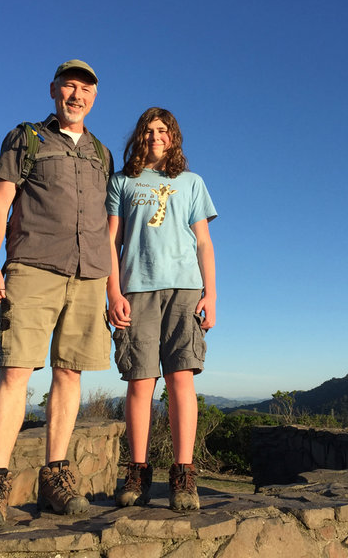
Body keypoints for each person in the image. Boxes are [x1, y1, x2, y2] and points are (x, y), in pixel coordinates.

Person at [0, 59, 113, 528]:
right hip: (33, 266)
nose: (77, 96)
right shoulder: (27, 138)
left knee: (69, 374)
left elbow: (106, 229)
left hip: (90, 274)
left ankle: (55, 478)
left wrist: (112, 288)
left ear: (95, 97)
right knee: (15, 370)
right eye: (69, 87)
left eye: (86, 89)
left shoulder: (102, 153)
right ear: (54, 90)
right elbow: (0, 205)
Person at [106, 107, 217, 510]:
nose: (155, 136)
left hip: (186, 289)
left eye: (162, 130)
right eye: (148, 130)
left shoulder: (191, 183)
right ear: (139, 136)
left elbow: (203, 243)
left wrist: (211, 295)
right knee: (140, 382)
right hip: (136, 290)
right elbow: (111, 243)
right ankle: (137, 472)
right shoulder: (122, 182)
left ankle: (184, 476)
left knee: (180, 381)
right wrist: (113, 292)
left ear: (173, 138)